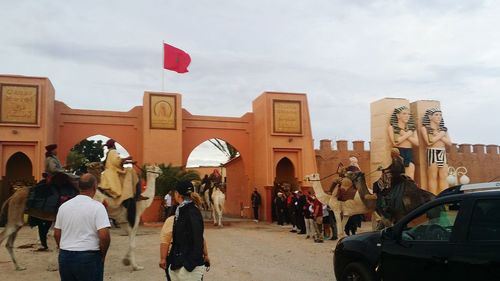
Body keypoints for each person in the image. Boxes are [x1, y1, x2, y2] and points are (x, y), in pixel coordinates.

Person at [54, 173, 111, 281]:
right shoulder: (98, 207)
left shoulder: (64, 207)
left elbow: (56, 234)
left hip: (65, 257)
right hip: (89, 257)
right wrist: (103, 255)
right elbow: (104, 236)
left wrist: (64, 249)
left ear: (79, 187)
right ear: (95, 187)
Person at [168, 181, 207, 281]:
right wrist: (172, 264)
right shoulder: (181, 210)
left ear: (177, 194)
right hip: (177, 265)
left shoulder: (192, 211)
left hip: (189, 269)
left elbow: (198, 241)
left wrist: (188, 266)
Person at [420, 108, 452, 194]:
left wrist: (439, 134)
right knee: (432, 177)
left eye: (440, 115)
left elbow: (449, 143)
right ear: (430, 117)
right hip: (432, 152)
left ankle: (443, 198)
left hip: (442, 152)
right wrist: (441, 135)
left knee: (443, 176)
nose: (439, 117)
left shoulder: (443, 130)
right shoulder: (425, 128)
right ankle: (433, 198)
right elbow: (429, 142)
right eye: (436, 115)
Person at [387, 106, 419, 179]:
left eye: (408, 114)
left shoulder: (412, 130)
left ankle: (409, 190)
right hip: (398, 152)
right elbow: (395, 142)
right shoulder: (392, 128)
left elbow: (417, 143)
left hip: (409, 152)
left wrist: (404, 134)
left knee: (410, 175)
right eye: (404, 114)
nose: (407, 116)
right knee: (400, 176)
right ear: (398, 115)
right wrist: (407, 134)